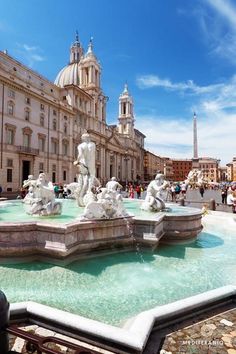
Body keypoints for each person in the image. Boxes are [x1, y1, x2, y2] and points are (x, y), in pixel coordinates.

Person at [73, 133, 96, 206]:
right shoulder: (93, 144)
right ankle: (89, 192)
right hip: (91, 163)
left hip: (84, 163)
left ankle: (80, 196)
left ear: (83, 139)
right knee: (90, 178)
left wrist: (77, 161)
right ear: (88, 138)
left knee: (83, 180)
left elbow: (80, 155)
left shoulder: (81, 145)